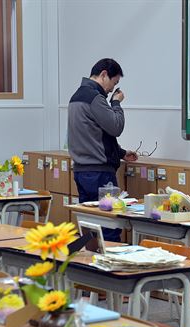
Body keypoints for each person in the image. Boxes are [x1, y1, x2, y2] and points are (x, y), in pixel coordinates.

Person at [68, 58, 138, 242]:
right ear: (104, 75)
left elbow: (94, 134)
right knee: (108, 227)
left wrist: (121, 153)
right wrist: (116, 103)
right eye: (113, 83)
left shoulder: (76, 96)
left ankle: (92, 267)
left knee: (90, 227)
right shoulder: (94, 98)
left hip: (82, 171)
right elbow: (115, 127)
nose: (110, 89)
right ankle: (110, 269)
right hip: (99, 174)